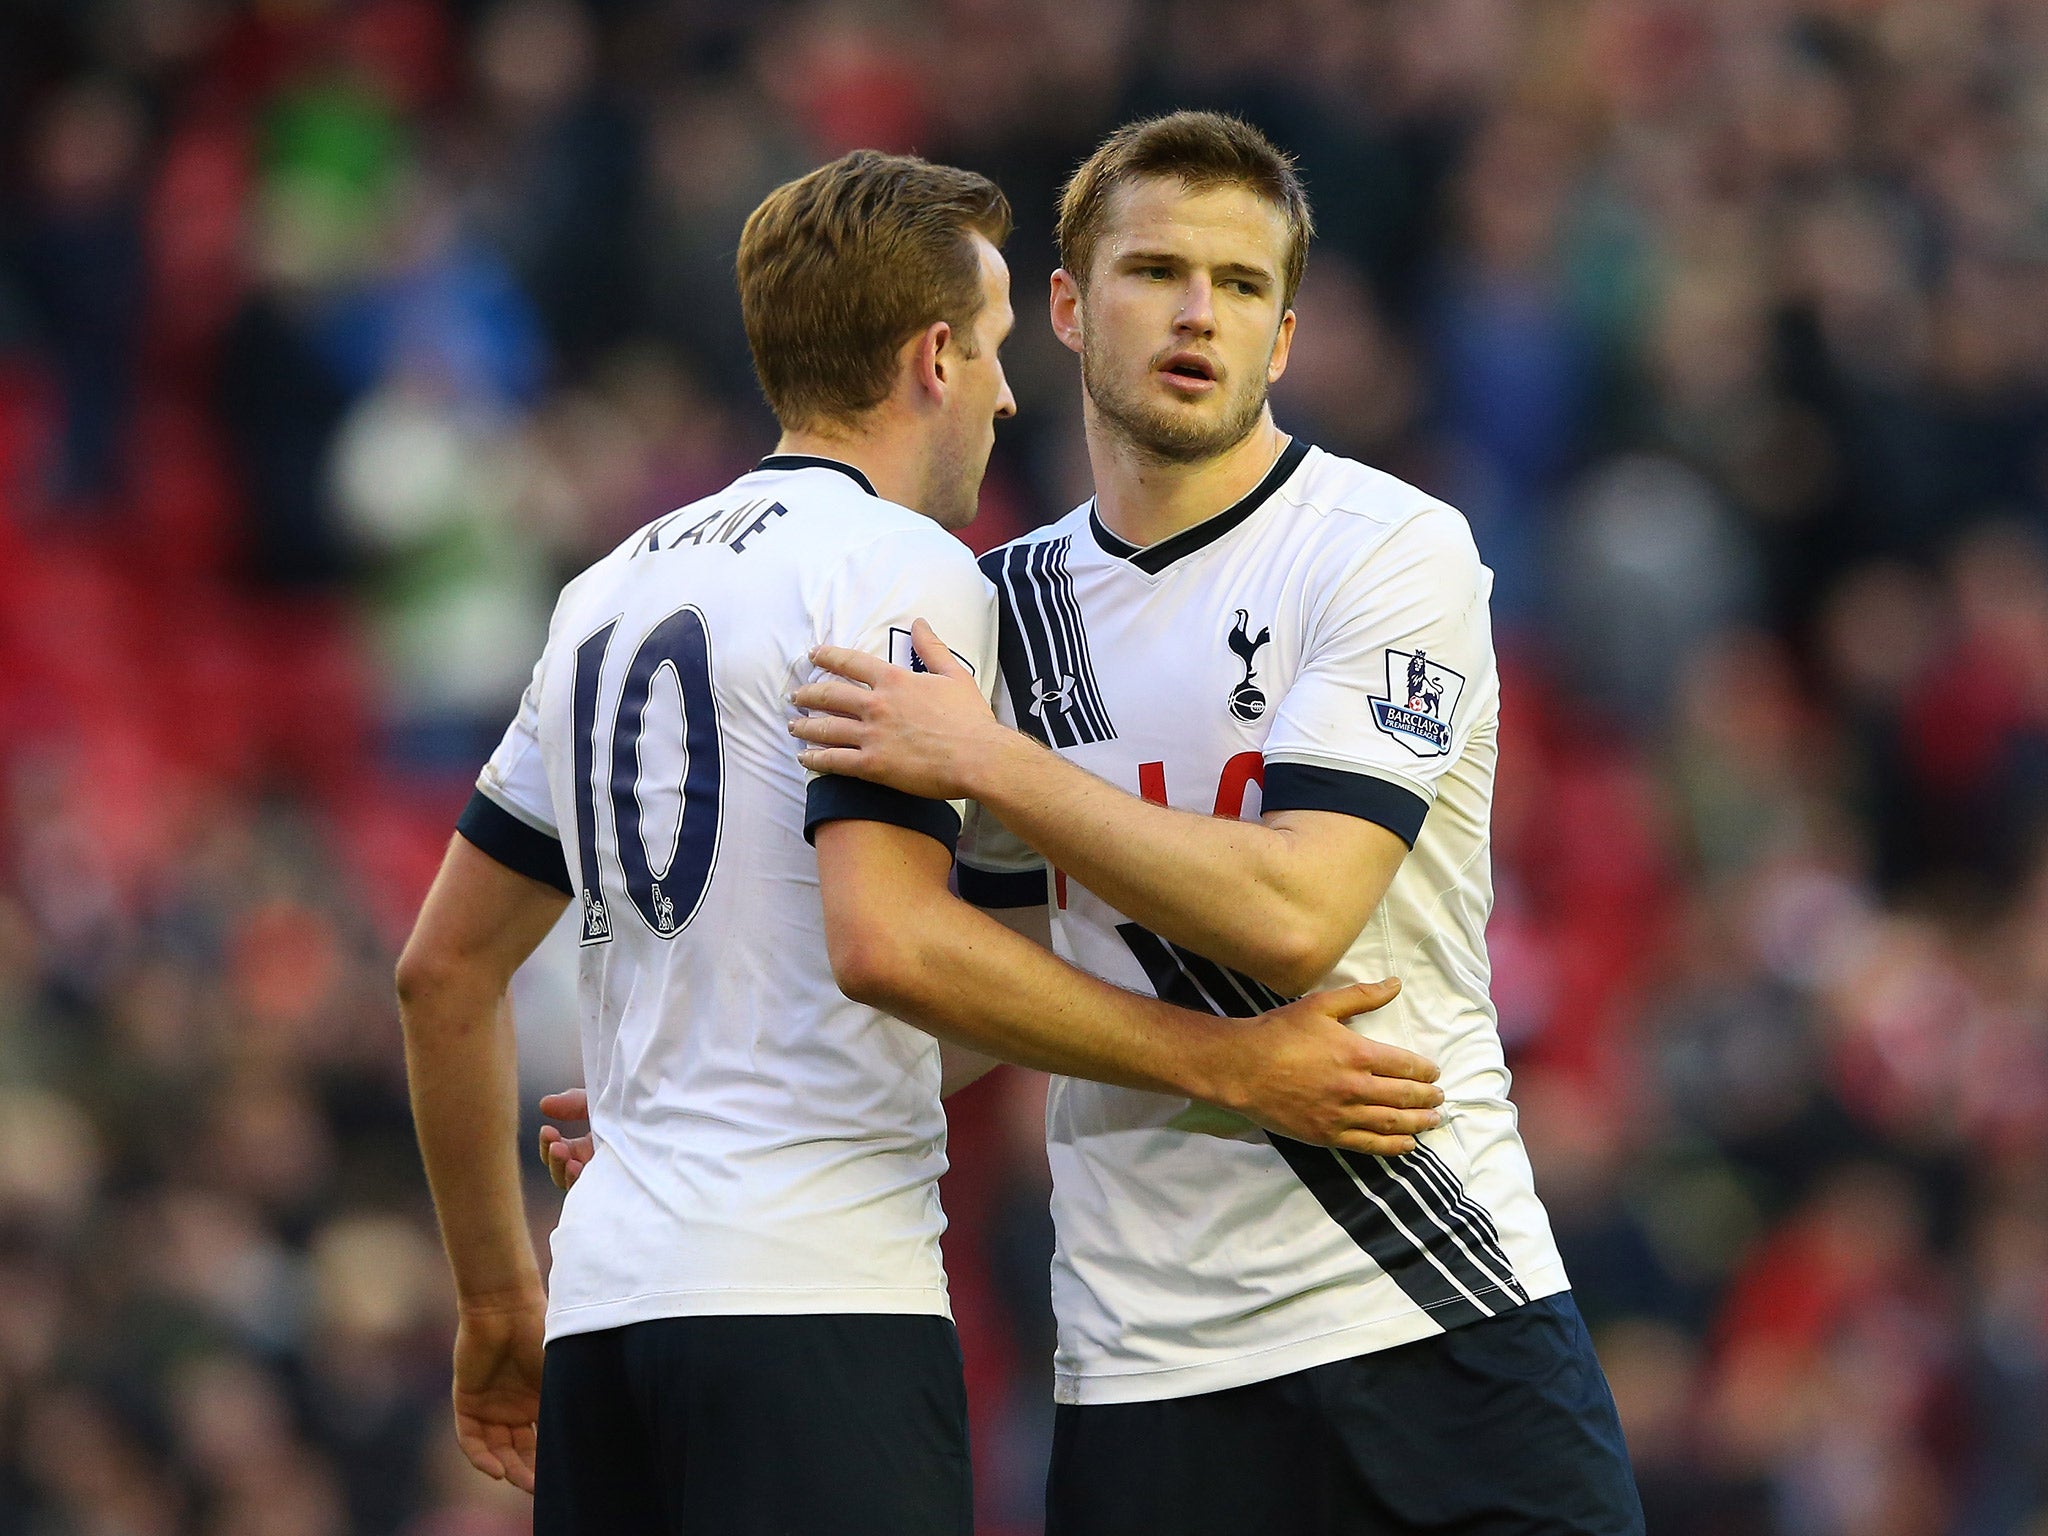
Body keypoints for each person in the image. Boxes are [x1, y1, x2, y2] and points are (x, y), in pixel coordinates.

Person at [396, 148, 1444, 1536]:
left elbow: (442, 975)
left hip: (606, 1320)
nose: (1016, 395)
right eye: (1003, 348)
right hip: (813, 1309)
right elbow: (888, 941)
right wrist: (1234, 1063)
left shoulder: (604, 589)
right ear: (934, 358)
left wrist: (495, 1302)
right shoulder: (900, 567)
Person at [781, 113, 1648, 1535]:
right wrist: (695, 1095)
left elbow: (1296, 914)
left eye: (1243, 287)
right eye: (1158, 271)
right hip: (1148, 1369)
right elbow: (963, 1010)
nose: (1199, 314)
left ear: (1287, 337)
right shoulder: (994, 616)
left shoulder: (1388, 548)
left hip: (1434, 1308)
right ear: (1064, 306)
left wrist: (994, 763)